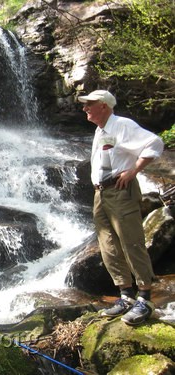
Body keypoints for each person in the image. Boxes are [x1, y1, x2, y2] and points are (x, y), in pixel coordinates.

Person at [77, 89, 164, 325]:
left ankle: (145, 298)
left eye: (89, 104)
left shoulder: (122, 125)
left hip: (120, 191)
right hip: (101, 193)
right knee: (108, 245)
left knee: (131, 241)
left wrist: (134, 170)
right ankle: (125, 295)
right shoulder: (100, 130)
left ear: (103, 106)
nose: (85, 108)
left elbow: (155, 143)